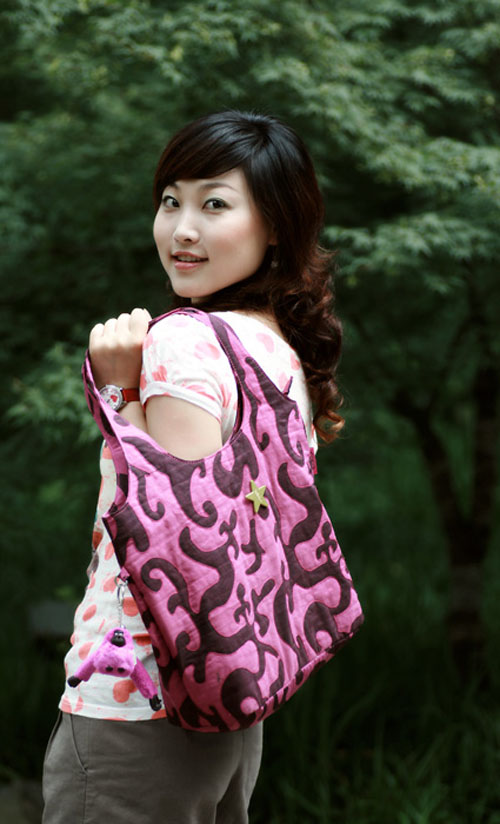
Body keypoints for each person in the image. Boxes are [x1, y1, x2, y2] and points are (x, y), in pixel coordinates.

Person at [42, 110, 344, 824]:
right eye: (171, 200)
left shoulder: (184, 342)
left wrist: (118, 391)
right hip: (231, 699)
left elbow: (177, 533)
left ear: (276, 224)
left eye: (214, 205)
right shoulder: (275, 348)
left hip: (138, 699)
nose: (181, 229)